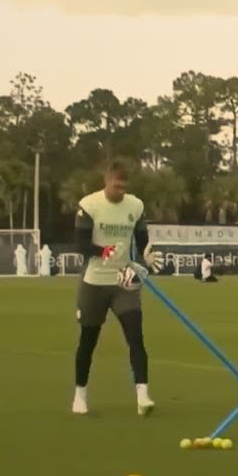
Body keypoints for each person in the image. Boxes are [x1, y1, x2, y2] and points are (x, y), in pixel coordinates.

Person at [71, 159, 164, 416]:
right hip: (95, 281)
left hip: (124, 279)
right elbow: (81, 245)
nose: (120, 191)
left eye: (124, 187)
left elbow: (142, 236)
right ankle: (80, 396)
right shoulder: (89, 205)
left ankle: (143, 396)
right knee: (88, 341)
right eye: (116, 186)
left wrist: (147, 253)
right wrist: (103, 251)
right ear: (106, 181)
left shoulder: (135, 205)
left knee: (135, 336)